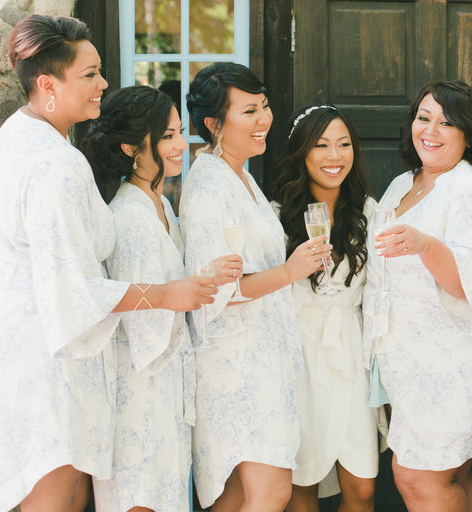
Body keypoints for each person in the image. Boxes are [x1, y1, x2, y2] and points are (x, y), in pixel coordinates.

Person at [0, 16, 219, 512]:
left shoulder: (20, 136)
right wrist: (167, 294)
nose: (104, 84)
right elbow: (72, 287)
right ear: (47, 85)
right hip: (43, 355)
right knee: (49, 496)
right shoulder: (54, 165)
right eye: (90, 74)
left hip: (7, 341)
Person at [82, 85, 241, 512]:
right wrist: (186, 293)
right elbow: (139, 318)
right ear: (133, 148)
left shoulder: (162, 207)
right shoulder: (130, 217)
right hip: (141, 383)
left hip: (167, 382)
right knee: (140, 500)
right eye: (167, 136)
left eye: (179, 133)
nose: (178, 146)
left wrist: (203, 280)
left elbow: (171, 289)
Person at [181, 62, 330, 512]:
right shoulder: (209, 187)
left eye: (264, 106)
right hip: (237, 362)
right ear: (214, 124)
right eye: (249, 110)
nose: (263, 119)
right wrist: (291, 270)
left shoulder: (240, 176)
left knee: (239, 496)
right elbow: (217, 287)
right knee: (270, 493)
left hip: (260, 355)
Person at [365, 80, 472, 512]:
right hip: (405, 360)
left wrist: (426, 245)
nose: (431, 130)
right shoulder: (401, 184)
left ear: (468, 134)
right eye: (424, 118)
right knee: (447, 476)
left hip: (447, 363)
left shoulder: (470, 190)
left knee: (419, 478)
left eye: (447, 123)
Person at [272, 104, 379, 512]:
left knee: (362, 485)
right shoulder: (277, 215)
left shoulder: (371, 212)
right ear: (302, 152)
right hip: (299, 352)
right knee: (302, 482)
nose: (334, 156)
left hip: (351, 350)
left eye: (343, 144)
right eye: (321, 145)